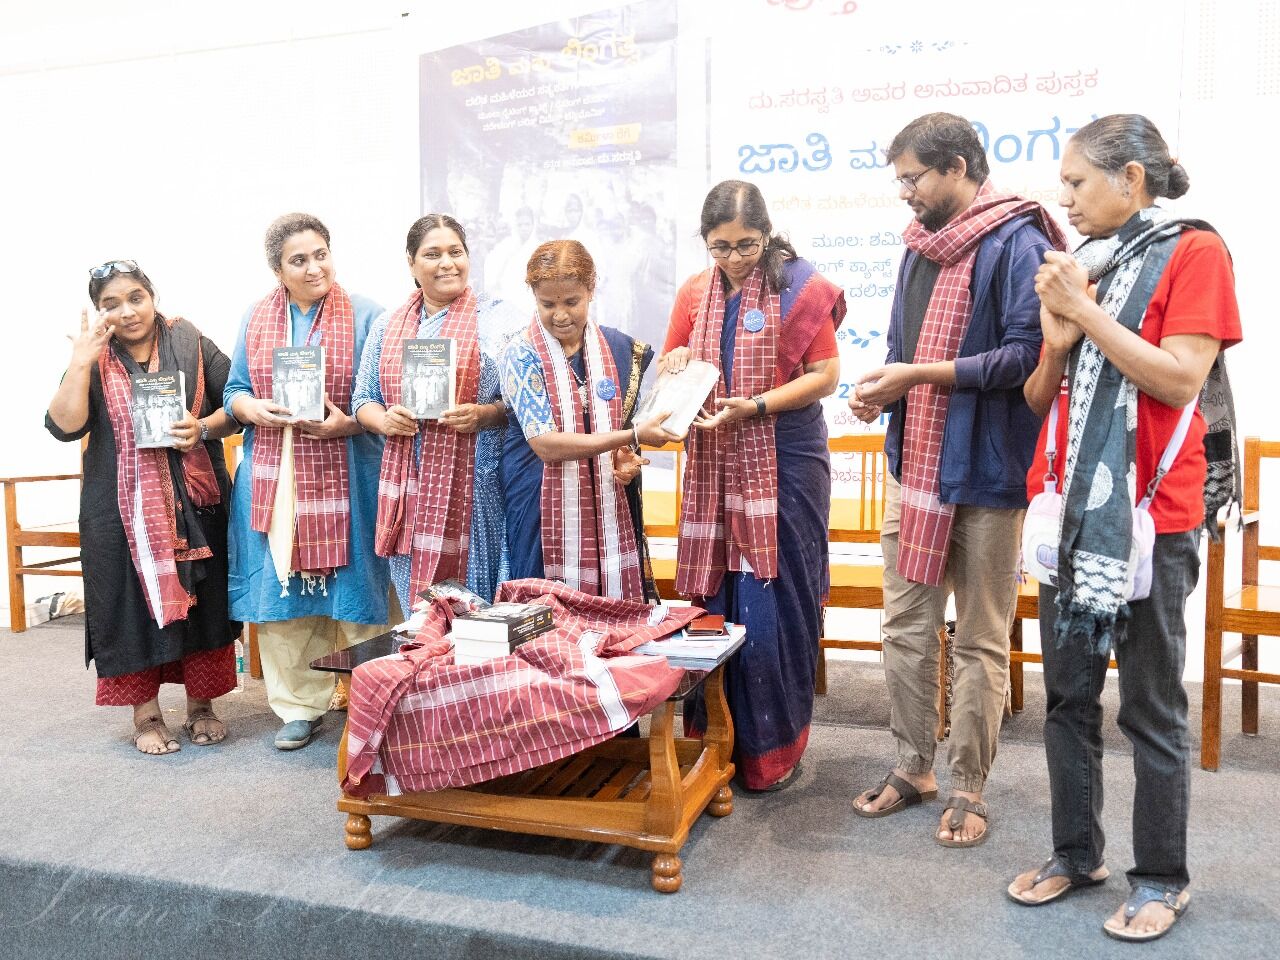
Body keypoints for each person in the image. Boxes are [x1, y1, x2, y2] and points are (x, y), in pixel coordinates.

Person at [1006, 115, 1241, 943]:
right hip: (1070, 515)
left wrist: (1084, 311)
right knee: (1068, 699)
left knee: (1149, 707)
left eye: (1076, 182)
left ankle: (1162, 878)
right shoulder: (1090, 264)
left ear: (1130, 179)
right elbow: (1039, 401)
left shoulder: (1194, 251)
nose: (1065, 199)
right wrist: (1055, 342)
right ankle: (1076, 854)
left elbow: (1179, 380)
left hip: (1152, 518)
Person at [847, 113, 1066, 842]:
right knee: (906, 627)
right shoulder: (919, 246)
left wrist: (918, 375)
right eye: (900, 179)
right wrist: (883, 389)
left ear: (959, 168)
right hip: (915, 469)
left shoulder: (1019, 240)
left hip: (989, 474)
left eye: (913, 177)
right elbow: (900, 348)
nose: (904, 192)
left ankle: (969, 787)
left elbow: (1027, 357)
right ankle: (913, 766)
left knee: (978, 639)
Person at [661, 179, 844, 791]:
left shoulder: (801, 289)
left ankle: (771, 753)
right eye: (721, 247)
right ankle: (712, 745)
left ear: (767, 235)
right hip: (714, 463)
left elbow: (825, 376)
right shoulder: (695, 292)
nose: (735, 258)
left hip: (785, 461)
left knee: (776, 602)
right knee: (715, 601)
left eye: (747, 244)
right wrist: (675, 362)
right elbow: (672, 361)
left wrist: (757, 406)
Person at [45, 260, 240, 755]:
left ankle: (202, 706)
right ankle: (146, 715)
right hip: (119, 509)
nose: (128, 312)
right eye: (111, 304)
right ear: (99, 311)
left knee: (204, 601)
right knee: (128, 606)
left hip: (196, 501)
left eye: (136, 298)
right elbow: (64, 426)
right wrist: (81, 361)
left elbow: (237, 402)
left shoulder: (190, 340)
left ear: (152, 297)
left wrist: (202, 427)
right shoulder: (94, 356)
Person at [224, 213, 394, 751]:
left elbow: (387, 396)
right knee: (284, 593)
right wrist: (252, 408)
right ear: (278, 270)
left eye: (321, 254)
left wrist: (349, 423)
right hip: (276, 478)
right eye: (298, 260)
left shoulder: (368, 315)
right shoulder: (256, 318)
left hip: (352, 472)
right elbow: (234, 390)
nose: (314, 267)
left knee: (358, 585)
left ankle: (374, 698)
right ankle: (299, 706)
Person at [353, 213, 514, 611]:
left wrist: (484, 414)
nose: (447, 263)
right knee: (423, 613)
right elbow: (363, 400)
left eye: (455, 252)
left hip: (478, 488)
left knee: (480, 609)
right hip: (410, 489)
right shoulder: (388, 326)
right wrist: (385, 420)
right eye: (432, 254)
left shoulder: (501, 319)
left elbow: (524, 404)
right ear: (411, 263)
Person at [501, 239, 678, 599]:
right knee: (542, 607)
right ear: (533, 297)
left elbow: (618, 430)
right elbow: (545, 445)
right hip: (538, 498)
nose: (560, 315)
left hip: (605, 498)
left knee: (610, 608)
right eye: (547, 304)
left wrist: (625, 456)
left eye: (571, 302)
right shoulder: (520, 353)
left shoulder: (616, 348)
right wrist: (630, 437)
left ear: (591, 290)